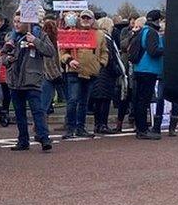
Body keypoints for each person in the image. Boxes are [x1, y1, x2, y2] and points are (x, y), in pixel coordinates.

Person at [1, 10, 55, 151]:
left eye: (20, 22)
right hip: (14, 79)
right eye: (15, 21)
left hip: (32, 79)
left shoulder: (39, 35)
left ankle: (44, 138)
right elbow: (3, 56)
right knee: (19, 113)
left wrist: (35, 42)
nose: (17, 24)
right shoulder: (10, 37)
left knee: (38, 111)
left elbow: (50, 51)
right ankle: (23, 140)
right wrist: (7, 60)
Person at [60, 9, 108, 139]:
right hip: (74, 72)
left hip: (91, 72)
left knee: (84, 102)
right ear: (79, 19)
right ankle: (70, 128)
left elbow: (104, 51)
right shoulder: (72, 33)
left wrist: (101, 63)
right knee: (73, 100)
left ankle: (80, 127)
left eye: (88, 18)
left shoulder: (100, 35)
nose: (86, 20)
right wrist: (69, 60)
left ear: (93, 20)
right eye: (83, 18)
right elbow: (63, 52)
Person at [131, 10, 164, 140]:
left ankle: (141, 128)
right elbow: (153, 51)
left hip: (140, 68)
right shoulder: (151, 32)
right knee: (143, 101)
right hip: (148, 70)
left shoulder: (143, 31)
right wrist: (165, 49)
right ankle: (143, 130)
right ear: (157, 20)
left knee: (140, 100)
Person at [90, 17, 127, 134]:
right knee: (105, 100)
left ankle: (97, 124)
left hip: (96, 72)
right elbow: (111, 57)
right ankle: (103, 124)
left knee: (98, 100)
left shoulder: (94, 36)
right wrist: (117, 71)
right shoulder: (107, 39)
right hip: (106, 73)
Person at [39, 19, 64, 116]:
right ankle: (40, 124)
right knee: (45, 101)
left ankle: (39, 123)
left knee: (43, 102)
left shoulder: (42, 40)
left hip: (44, 74)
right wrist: (56, 75)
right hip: (50, 75)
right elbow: (50, 61)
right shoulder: (53, 42)